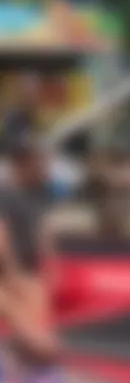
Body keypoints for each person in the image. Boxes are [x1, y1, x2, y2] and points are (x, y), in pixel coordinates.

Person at [0, 137, 59, 362]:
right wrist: (12, 274)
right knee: (24, 318)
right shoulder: (5, 193)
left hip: (29, 270)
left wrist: (52, 265)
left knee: (38, 321)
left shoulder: (39, 193)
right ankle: (29, 351)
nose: (45, 167)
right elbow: (2, 237)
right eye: (40, 162)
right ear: (22, 163)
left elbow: (44, 231)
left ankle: (30, 354)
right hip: (10, 272)